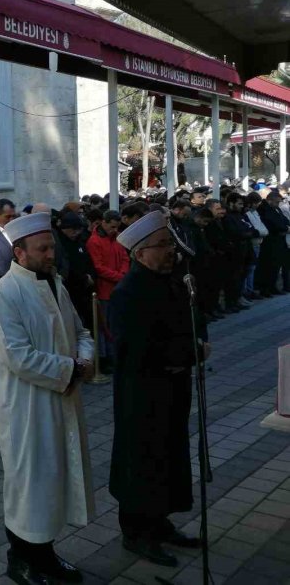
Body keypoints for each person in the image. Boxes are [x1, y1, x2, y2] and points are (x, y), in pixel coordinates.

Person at [0, 213, 94, 585]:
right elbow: (18, 356)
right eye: (43, 248)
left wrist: (86, 358)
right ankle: (21, 562)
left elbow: (81, 330)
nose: (51, 254)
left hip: (61, 399)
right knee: (28, 486)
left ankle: (45, 556)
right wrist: (74, 368)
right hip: (27, 408)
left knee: (53, 481)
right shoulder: (3, 295)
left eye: (52, 247)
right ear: (20, 252)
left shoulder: (55, 285)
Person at [108, 212, 205, 566]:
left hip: (173, 391)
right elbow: (135, 350)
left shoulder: (174, 282)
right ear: (139, 253)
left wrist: (198, 343)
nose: (171, 251)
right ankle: (137, 532)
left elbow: (193, 321)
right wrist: (186, 352)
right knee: (142, 463)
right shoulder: (127, 294)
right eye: (162, 245)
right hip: (142, 397)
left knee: (168, 457)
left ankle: (160, 521)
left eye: (170, 243)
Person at [87, 210, 128, 372]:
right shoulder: (94, 241)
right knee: (104, 326)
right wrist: (119, 276)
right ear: (103, 222)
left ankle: (114, 354)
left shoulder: (117, 237)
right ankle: (105, 357)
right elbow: (98, 267)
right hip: (105, 289)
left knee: (115, 324)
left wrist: (123, 274)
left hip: (117, 286)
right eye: (111, 227)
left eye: (116, 227)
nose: (114, 230)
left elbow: (125, 257)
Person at [56, 212, 96, 330]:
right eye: (73, 230)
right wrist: (83, 278)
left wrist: (91, 276)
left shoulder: (80, 242)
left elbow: (88, 261)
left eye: (78, 230)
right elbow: (66, 267)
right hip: (70, 291)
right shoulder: (59, 243)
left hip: (85, 291)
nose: (76, 233)